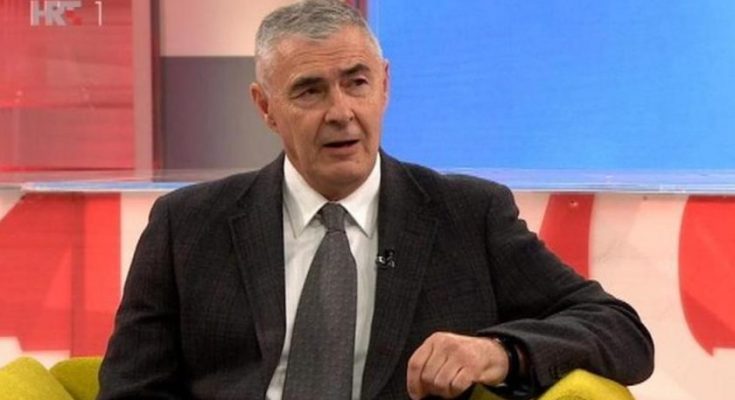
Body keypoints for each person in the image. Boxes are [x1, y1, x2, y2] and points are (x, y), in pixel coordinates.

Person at [98, 1, 654, 399]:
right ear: (265, 107)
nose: (341, 112)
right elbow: (130, 387)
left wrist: (498, 352)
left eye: (356, 82)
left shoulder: (468, 214)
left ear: (384, 85)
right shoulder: (187, 225)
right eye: (310, 90)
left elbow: (622, 332)